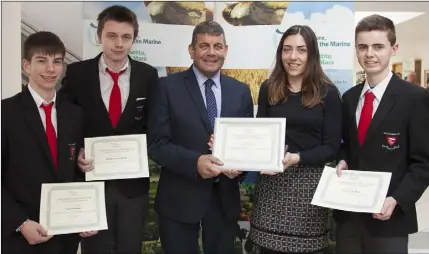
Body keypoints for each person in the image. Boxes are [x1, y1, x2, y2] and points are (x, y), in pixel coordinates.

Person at [58, 5, 159, 254]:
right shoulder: (78, 73)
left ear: (134, 39)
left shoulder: (148, 76)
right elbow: (64, 121)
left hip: (132, 186)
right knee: (95, 249)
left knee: (130, 248)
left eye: (126, 37)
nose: (119, 44)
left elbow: (153, 123)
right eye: (111, 36)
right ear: (99, 36)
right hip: (91, 184)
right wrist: (76, 152)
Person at [148, 21, 254, 254]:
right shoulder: (166, 87)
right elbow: (156, 144)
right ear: (191, 50)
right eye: (204, 45)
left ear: (226, 50)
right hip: (179, 200)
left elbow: (248, 145)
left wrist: (240, 167)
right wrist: (195, 162)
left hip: (224, 200)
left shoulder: (241, 91)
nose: (211, 52)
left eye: (218, 46)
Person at [335, 14, 429, 254]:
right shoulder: (349, 98)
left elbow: (423, 162)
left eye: (378, 46)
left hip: (390, 220)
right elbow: (349, 145)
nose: (370, 54)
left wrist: (397, 199)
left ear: (393, 48)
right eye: (363, 47)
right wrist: (344, 159)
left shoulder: (415, 99)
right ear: (356, 49)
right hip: (350, 220)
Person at [244, 25, 342, 254]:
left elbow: (331, 147)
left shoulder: (327, 93)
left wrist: (297, 158)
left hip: (309, 190)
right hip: (272, 187)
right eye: (287, 49)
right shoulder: (269, 88)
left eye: (301, 50)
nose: (293, 57)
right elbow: (262, 135)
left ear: (312, 54)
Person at [1, 31, 97, 254]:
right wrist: (20, 223)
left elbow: (73, 170)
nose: (51, 69)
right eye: (42, 61)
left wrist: (84, 213)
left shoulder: (74, 115)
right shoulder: (5, 113)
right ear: (26, 65)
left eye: (57, 62)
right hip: (22, 236)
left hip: (65, 237)